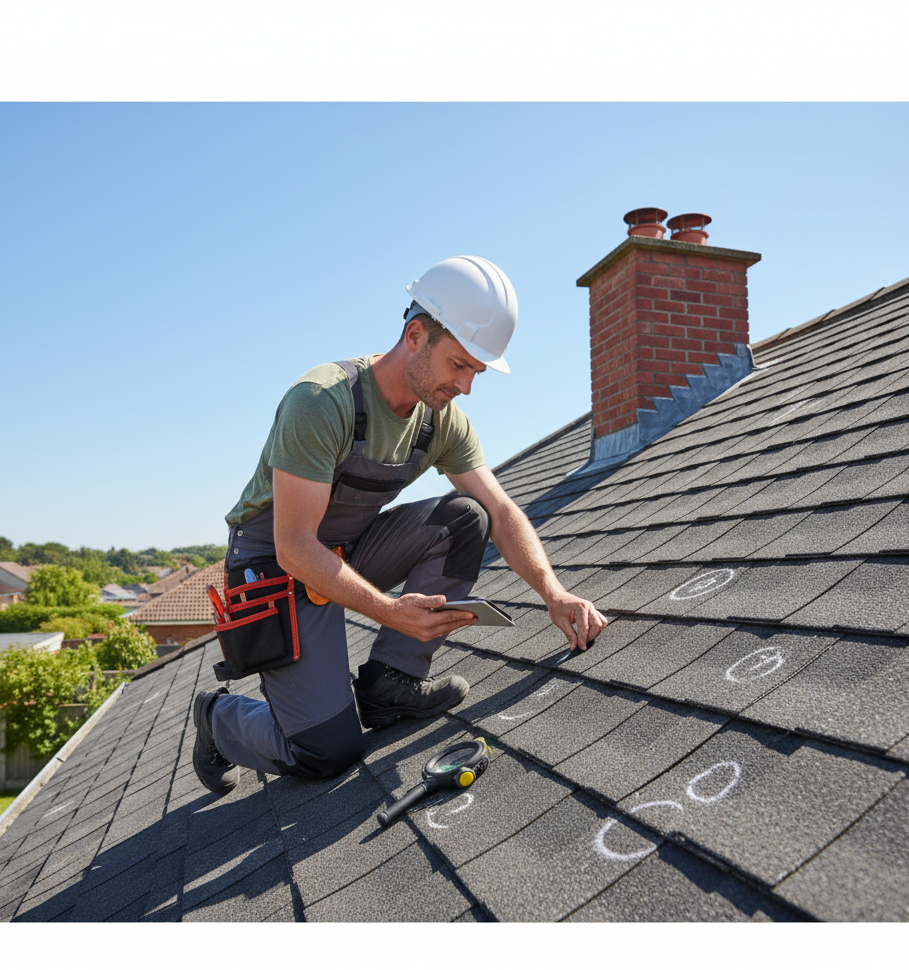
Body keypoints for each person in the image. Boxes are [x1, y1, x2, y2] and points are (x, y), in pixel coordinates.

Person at [192, 255, 607, 795]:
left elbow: (502, 512)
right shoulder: (321, 402)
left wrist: (554, 593)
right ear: (415, 335)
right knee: (326, 751)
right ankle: (220, 719)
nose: (466, 386)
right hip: (274, 565)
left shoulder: (441, 420)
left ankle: (392, 682)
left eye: (476, 372)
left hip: (345, 550)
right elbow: (294, 545)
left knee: (466, 517)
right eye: (459, 365)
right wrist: (389, 609)